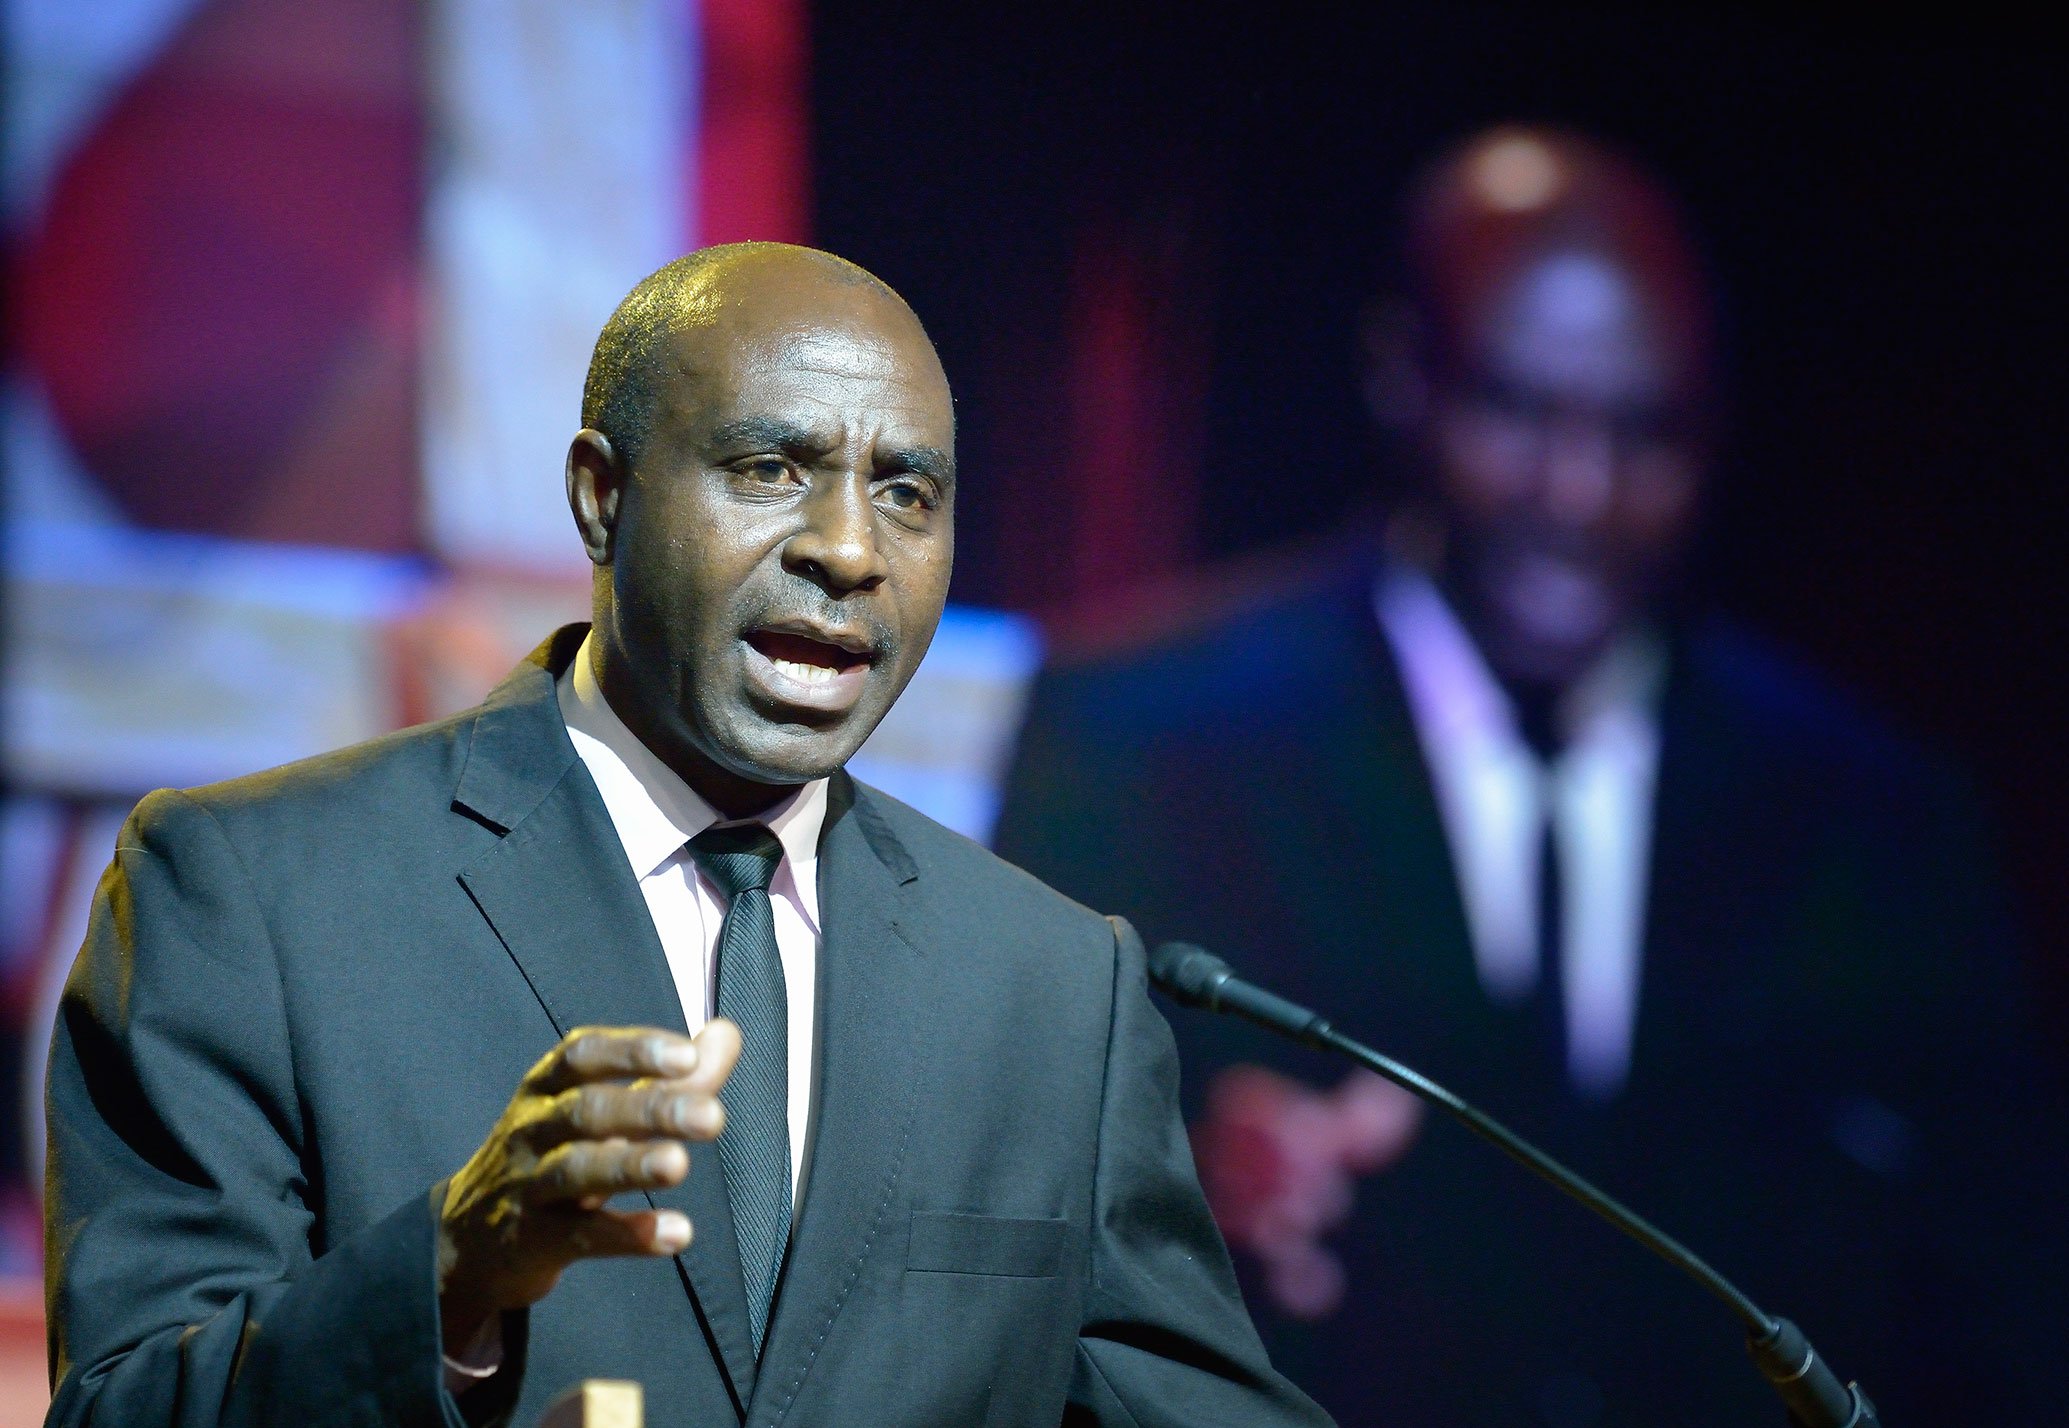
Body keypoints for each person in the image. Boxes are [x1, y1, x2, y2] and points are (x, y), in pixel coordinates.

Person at [44, 244, 1333, 1428]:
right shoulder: (251, 895)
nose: (847, 549)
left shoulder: (1054, 988)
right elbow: (123, 1409)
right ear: (602, 498)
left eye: (907, 492)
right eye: (771, 469)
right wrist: (447, 1277)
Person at [994, 127, 2069, 1425]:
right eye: (1518, 411)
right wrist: (1176, 1199)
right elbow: (996, 1233)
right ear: (1403, 377)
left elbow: (1994, 1315)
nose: (1579, 491)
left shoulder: (1873, 819)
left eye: (1641, 434)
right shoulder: (1136, 740)